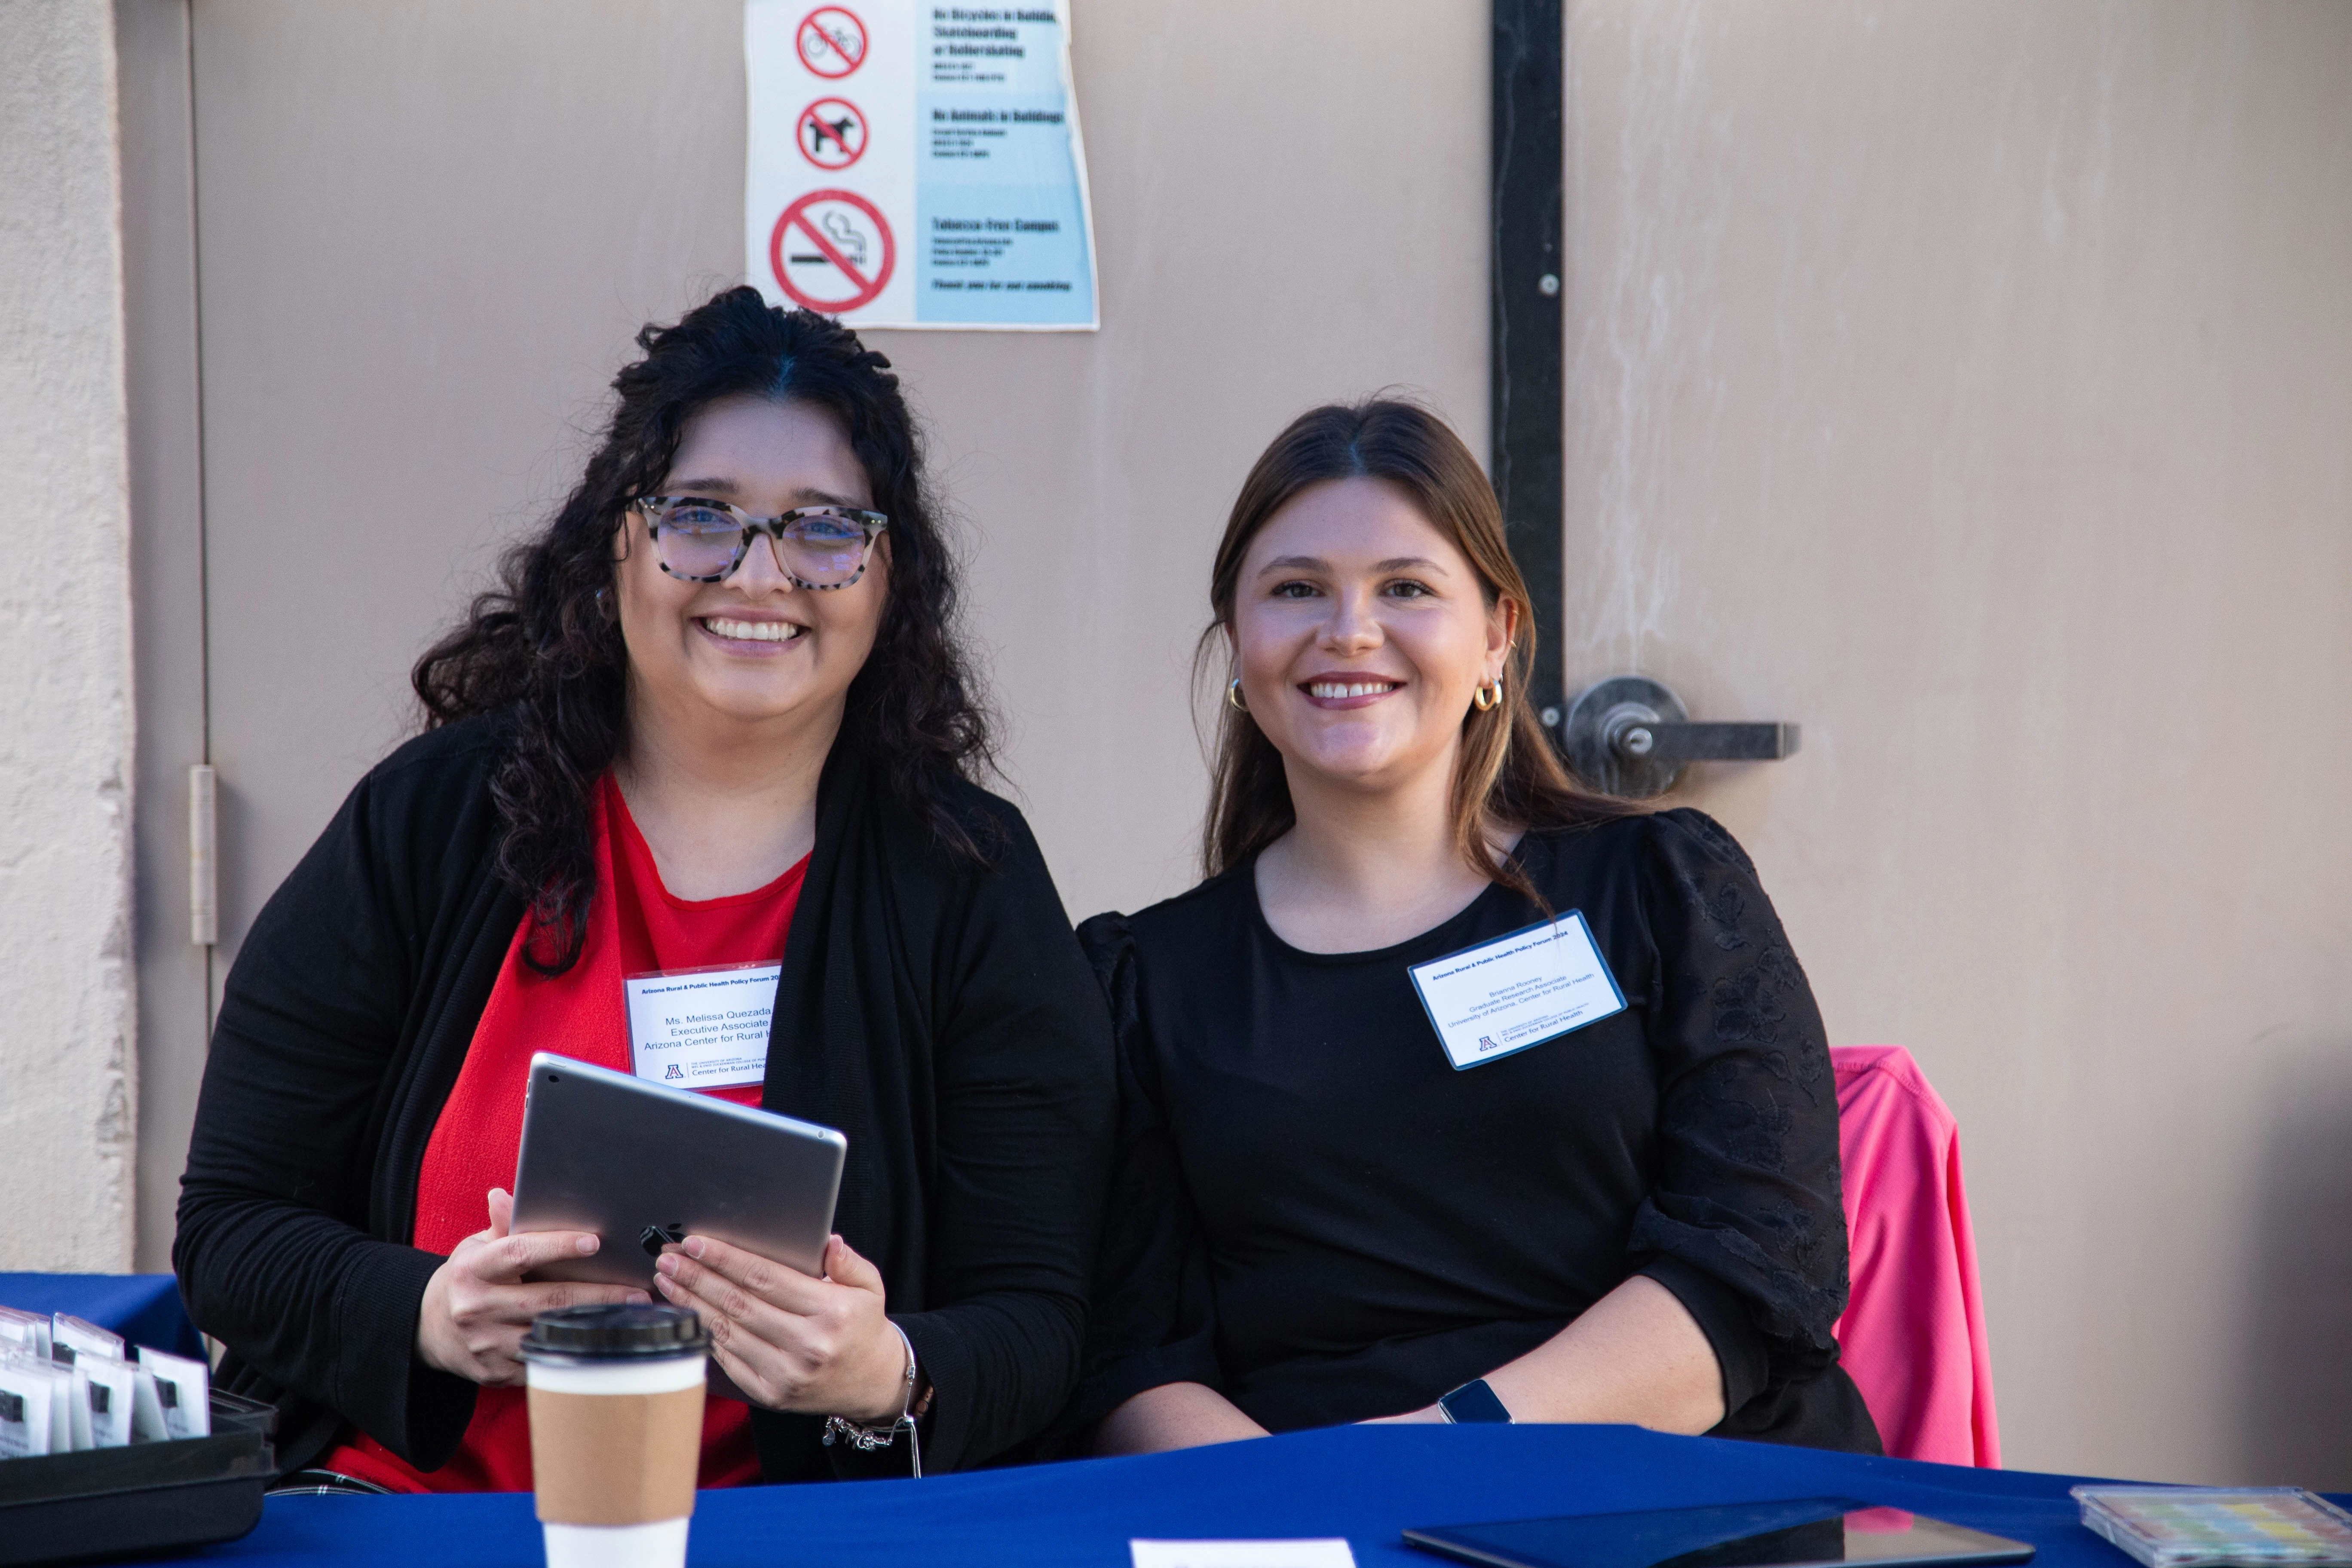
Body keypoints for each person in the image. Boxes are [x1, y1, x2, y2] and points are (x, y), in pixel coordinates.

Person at [175, 286, 1115, 1489]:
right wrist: (424, 1311)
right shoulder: (434, 820)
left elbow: (1043, 1320)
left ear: (889, 575)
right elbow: (232, 1229)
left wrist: (887, 1372)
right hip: (413, 1520)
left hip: (791, 1544)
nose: (759, 573)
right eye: (701, 518)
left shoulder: (968, 881)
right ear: (614, 542)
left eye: (824, 528)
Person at [1066, 398, 1880, 1455]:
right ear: (1237, 641)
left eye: (1406, 588)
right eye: (1297, 589)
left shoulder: (1661, 885)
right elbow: (1132, 1357)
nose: (1349, 630)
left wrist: (1443, 1448)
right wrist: (1306, 1513)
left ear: (1497, 633)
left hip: (1676, 1492)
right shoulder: (1139, 982)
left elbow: (1760, 1264)